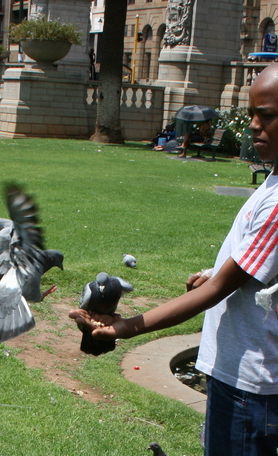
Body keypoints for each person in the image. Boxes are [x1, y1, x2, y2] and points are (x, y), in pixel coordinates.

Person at [70, 62, 278, 455]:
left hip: (248, 383)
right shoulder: (272, 182)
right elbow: (251, 272)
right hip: (240, 374)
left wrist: (126, 327)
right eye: (251, 113)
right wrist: (216, 273)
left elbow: (218, 291)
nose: (253, 125)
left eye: (266, 115)